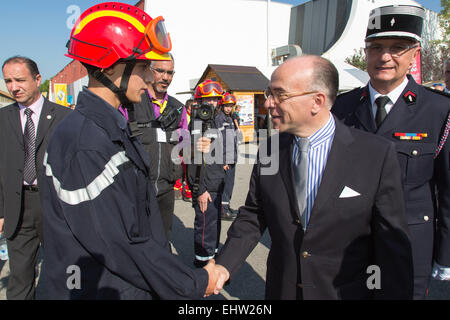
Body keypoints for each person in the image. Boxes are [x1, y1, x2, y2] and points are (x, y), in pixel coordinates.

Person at [40, 2, 217, 299]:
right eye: (144, 66)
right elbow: (120, 245)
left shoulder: (111, 125)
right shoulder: (87, 143)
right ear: (111, 66)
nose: (151, 78)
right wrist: (195, 282)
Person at [212, 55, 414, 299]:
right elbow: (255, 214)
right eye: (269, 93)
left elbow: (391, 247)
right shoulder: (270, 150)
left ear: (317, 101)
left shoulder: (375, 155)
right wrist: (223, 265)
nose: (268, 104)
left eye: (279, 95)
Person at [331, 5, 450, 299]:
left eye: (397, 48)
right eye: (376, 47)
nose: (384, 57)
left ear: (414, 54)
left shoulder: (438, 110)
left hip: (408, 243)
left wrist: (445, 254)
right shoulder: (342, 108)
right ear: (366, 52)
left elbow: (448, 189)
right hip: (350, 243)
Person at [0, 56, 71, 299]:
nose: (13, 87)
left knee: (63, 271)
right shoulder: (2, 119)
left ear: (37, 79)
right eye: (8, 81)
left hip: (54, 204)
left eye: (20, 80)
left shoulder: (64, 118)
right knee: (19, 276)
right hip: (17, 206)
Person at [133, 54, 188, 239]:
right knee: (137, 242)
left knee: (163, 240)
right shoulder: (131, 102)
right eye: (161, 71)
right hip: (137, 188)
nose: (166, 77)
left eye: (170, 73)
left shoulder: (179, 108)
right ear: (149, 70)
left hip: (166, 189)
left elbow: (184, 146)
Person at [187, 79, 225, 268]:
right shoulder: (198, 123)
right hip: (205, 187)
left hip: (216, 183)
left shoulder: (215, 121)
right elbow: (193, 160)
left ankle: (211, 259)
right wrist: (200, 189)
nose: (213, 103)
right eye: (208, 100)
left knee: (214, 227)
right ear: (199, 100)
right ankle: (202, 265)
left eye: (216, 99)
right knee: (205, 229)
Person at [216, 93, 239, 220]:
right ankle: (223, 210)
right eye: (226, 106)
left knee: (230, 184)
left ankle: (227, 206)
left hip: (232, 156)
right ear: (222, 105)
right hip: (226, 158)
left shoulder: (229, 118)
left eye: (230, 106)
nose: (229, 108)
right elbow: (219, 141)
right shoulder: (220, 119)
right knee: (225, 185)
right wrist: (222, 160)